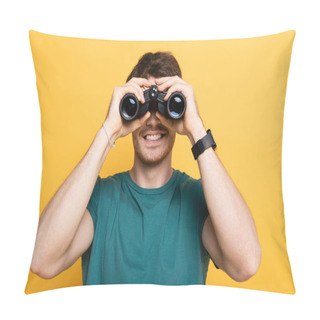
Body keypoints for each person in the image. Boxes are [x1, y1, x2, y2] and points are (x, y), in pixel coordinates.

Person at [30, 52, 261, 286]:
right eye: (142, 105)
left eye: (163, 104)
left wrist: (196, 130)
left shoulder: (200, 200)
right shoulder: (99, 199)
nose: (152, 120)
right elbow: (41, 260)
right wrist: (108, 130)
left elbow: (246, 263)